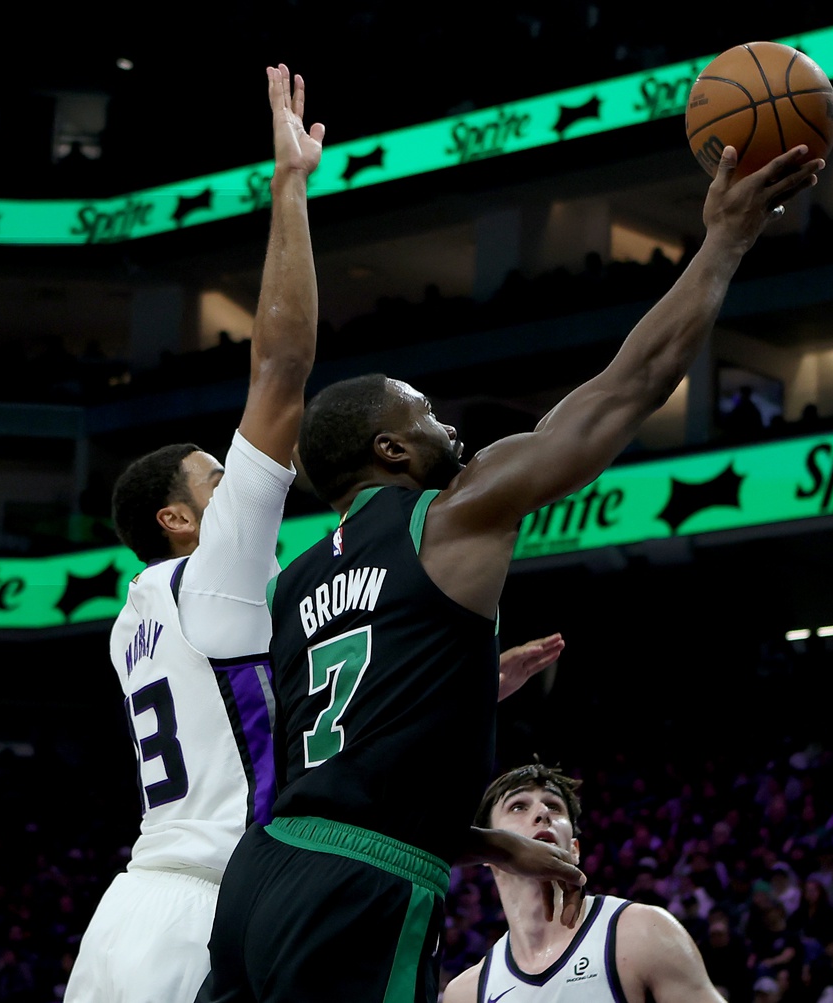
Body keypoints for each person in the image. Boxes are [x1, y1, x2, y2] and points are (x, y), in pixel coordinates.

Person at [199, 142, 824, 1003]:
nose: (447, 427)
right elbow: (624, 389)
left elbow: (356, 758)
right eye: (424, 416)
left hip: (257, 877)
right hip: (357, 886)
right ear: (389, 450)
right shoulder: (450, 514)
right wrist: (723, 240)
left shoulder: (289, 587)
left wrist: (494, 839)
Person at [64, 65, 566, 1003]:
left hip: (128, 913)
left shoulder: (135, 616)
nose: (248, 479)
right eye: (217, 479)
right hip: (219, 908)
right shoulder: (213, 576)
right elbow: (282, 367)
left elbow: (274, 713)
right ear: (178, 519)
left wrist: (449, 684)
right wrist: (289, 186)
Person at [442, 761, 731, 1003]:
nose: (542, 813)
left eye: (554, 807)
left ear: (574, 850)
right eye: (518, 806)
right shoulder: (466, 993)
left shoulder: (642, 933)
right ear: (488, 851)